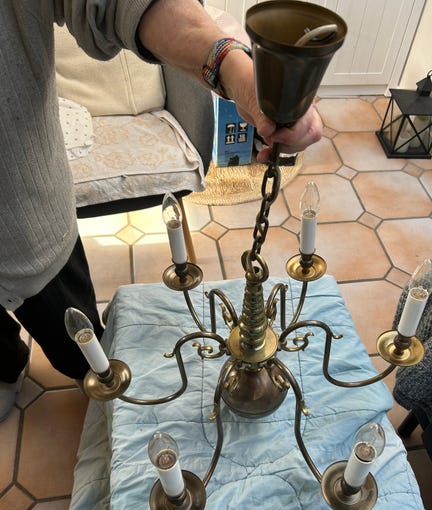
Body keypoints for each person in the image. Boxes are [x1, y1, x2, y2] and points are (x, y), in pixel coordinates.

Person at [0, 0, 323, 421]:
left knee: (74, 346)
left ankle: (86, 379)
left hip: (24, 220)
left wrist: (232, 65)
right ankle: (9, 367)